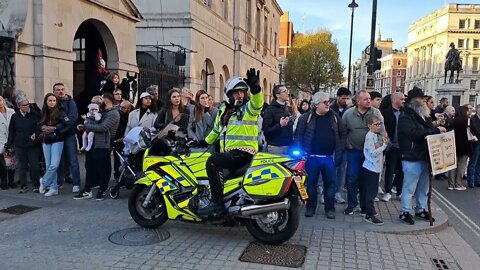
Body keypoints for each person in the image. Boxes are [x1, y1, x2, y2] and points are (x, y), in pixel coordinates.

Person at [194, 68, 263, 216]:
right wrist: (201, 142)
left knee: (213, 162)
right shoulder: (225, 111)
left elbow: (257, 104)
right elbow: (217, 130)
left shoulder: (247, 108)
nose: (240, 94)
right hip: (231, 153)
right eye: (236, 92)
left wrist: (256, 89)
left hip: (244, 152)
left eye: (243, 92)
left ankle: (217, 203)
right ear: (228, 94)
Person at [398, 86, 446, 225]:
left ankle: (420, 209)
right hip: (412, 156)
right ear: (414, 101)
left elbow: (430, 129)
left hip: (425, 156)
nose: (424, 101)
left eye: (425, 99)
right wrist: (434, 131)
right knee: (409, 187)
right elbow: (413, 134)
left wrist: (437, 130)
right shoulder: (405, 116)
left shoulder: (424, 115)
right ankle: (405, 211)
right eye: (421, 99)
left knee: (424, 187)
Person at [294, 91, 344, 219]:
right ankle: (310, 207)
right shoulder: (305, 118)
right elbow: (298, 136)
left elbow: (343, 134)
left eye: (329, 102)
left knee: (330, 184)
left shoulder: (334, 117)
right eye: (325, 102)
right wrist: (301, 154)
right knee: (311, 184)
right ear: (316, 104)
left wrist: (339, 151)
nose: (328, 104)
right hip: (312, 158)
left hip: (329, 157)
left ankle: (330, 209)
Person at [341, 90, 385, 215]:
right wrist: (346, 144)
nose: (369, 101)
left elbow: (382, 130)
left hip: (370, 154)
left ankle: (365, 206)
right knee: (352, 178)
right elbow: (343, 131)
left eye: (369, 98)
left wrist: (380, 144)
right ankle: (352, 205)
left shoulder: (376, 113)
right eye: (365, 99)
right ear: (358, 101)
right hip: (354, 151)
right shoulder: (348, 114)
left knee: (367, 180)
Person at [74, 93, 120, 200]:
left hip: (103, 145)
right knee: (89, 167)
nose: (95, 104)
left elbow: (102, 127)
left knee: (103, 168)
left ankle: (102, 190)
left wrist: (85, 125)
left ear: (106, 101)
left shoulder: (113, 114)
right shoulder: (102, 112)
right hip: (93, 144)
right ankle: (87, 189)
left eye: (99, 101)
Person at [38, 93, 71, 197]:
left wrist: (55, 128)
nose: (52, 102)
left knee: (54, 164)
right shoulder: (43, 112)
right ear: (46, 101)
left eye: (54, 100)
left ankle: (44, 182)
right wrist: (42, 128)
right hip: (46, 140)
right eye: (50, 100)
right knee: (48, 165)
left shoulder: (60, 112)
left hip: (57, 139)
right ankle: (53, 188)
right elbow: (38, 124)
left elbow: (68, 124)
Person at [6, 95, 41, 193]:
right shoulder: (15, 116)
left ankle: (36, 184)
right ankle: (23, 185)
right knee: (21, 166)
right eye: (24, 105)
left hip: (32, 144)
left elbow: (39, 127)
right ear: (18, 106)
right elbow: (11, 131)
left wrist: (36, 134)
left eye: (27, 104)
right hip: (19, 144)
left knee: (34, 166)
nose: (26, 107)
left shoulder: (34, 114)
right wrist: (10, 145)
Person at [53, 83, 81, 193]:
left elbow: (72, 120)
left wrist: (57, 128)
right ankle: (59, 181)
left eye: (62, 89)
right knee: (58, 160)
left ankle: (76, 183)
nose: (61, 91)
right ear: (54, 91)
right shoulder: (52, 102)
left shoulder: (71, 102)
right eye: (58, 89)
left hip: (69, 134)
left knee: (73, 160)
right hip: (58, 136)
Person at [362, 114, 388, 225]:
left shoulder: (375, 135)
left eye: (380, 124)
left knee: (367, 190)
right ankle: (369, 214)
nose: (378, 126)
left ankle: (365, 209)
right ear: (369, 125)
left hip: (374, 166)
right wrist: (384, 146)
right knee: (371, 192)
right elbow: (372, 153)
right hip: (371, 167)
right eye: (376, 124)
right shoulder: (370, 136)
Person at [381, 92, 405, 201]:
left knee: (401, 170)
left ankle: (399, 192)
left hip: (403, 146)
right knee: (390, 169)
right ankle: (388, 191)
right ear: (394, 100)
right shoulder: (385, 113)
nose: (404, 101)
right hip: (391, 146)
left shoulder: (406, 113)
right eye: (402, 99)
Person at [262, 85, 293, 155]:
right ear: (277, 95)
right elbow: (266, 131)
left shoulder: (287, 108)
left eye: (287, 91)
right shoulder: (269, 110)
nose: (287, 93)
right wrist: (280, 125)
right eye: (284, 91)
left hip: (289, 146)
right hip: (276, 147)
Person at [448, 105, 471, 191]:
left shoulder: (453, 121)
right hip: (465, 146)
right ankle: (458, 184)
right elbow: (474, 131)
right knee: (461, 165)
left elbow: (448, 130)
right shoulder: (467, 121)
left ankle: (451, 184)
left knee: (452, 165)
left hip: (453, 145)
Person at [113, 100, 132, 179]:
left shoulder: (131, 114)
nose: (121, 109)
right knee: (117, 158)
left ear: (129, 108)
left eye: (123, 108)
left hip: (128, 138)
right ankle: (118, 175)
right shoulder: (118, 114)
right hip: (119, 138)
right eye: (120, 107)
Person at [0, 96, 16, 189]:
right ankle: (3, 182)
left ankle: (11, 181)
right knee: (2, 164)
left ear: (3, 101)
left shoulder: (11, 111)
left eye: (0, 100)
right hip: (0, 140)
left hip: (11, 140)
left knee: (11, 162)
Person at [468, 105, 480, 188]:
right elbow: (474, 130)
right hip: (476, 143)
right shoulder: (473, 119)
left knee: (479, 163)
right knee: (473, 162)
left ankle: (477, 180)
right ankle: (471, 181)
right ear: (478, 110)